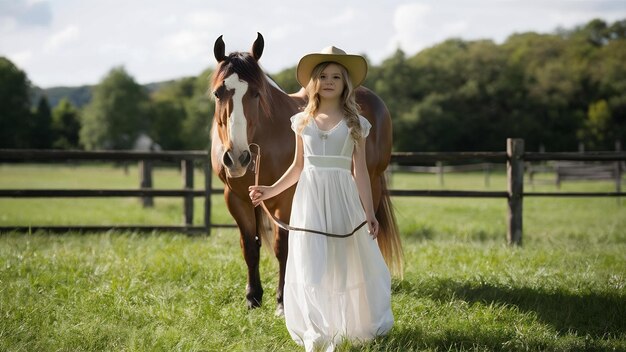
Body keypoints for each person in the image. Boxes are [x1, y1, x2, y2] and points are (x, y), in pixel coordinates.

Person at [248, 46, 393, 351]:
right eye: (323, 76)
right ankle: (317, 329)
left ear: (345, 84)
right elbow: (298, 167)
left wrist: (370, 212)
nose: (329, 81)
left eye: (336, 77)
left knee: (342, 262)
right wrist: (270, 191)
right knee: (312, 263)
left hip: (342, 196)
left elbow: (362, 173)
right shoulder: (302, 121)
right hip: (310, 197)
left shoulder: (357, 123)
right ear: (314, 82)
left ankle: (344, 324)